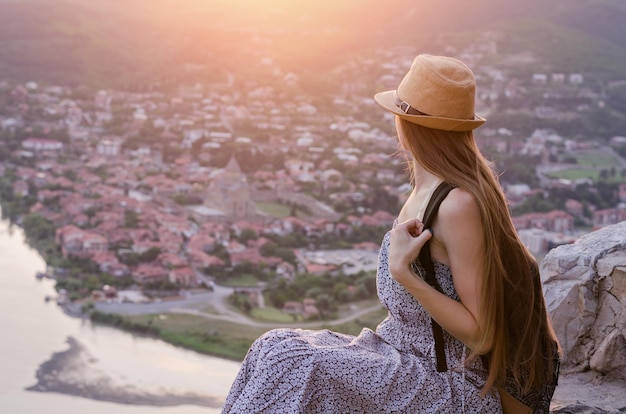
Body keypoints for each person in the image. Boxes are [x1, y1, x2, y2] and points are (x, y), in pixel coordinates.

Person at [222, 54, 560, 413]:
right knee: (272, 347)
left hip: (449, 381)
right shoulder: (426, 188)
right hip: (396, 353)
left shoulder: (457, 204)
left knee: (293, 362)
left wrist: (404, 274)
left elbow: (482, 334)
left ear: (407, 124)